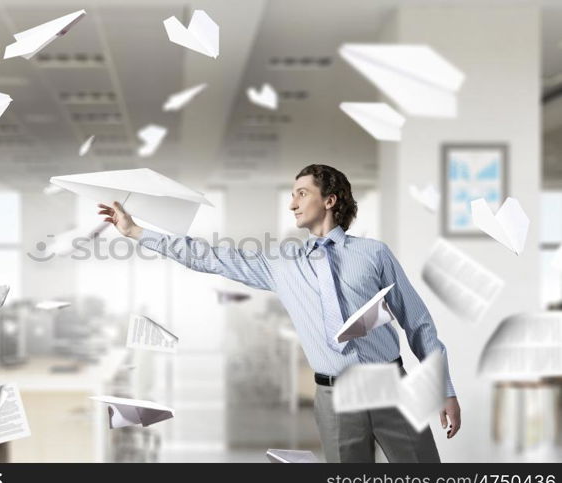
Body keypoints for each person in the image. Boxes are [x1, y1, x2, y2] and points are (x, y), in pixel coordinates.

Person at [97, 163, 460, 463]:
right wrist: (136, 232)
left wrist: (444, 389)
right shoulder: (282, 264)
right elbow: (208, 256)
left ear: (330, 200)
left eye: (302, 193)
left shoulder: (374, 254)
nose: (292, 203)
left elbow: (418, 323)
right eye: (291, 195)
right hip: (335, 399)